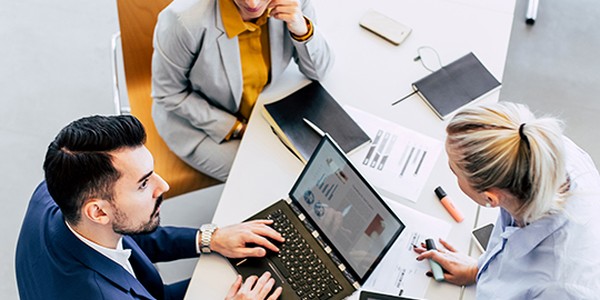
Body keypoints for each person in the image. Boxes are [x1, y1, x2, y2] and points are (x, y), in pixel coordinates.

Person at [15, 115, 285, 300]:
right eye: (144, 184)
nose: (164, 186)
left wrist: (209, 239)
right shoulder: (101, 294)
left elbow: (132, 234)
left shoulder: (54, 193)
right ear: (98, 211)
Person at [414, 102, 600, 299]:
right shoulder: (534, 147)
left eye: (454, 171)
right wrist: (478, 269)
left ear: (490, 197)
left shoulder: (561, 287)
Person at [151, 0, 334, 181]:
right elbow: (168, 93)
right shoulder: (182, 20)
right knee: (266, 177)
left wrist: (302, 29)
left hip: (263, 105)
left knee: (310, 165)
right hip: (197, 123)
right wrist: (235, 127)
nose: (252, 4)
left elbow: (319, 71)